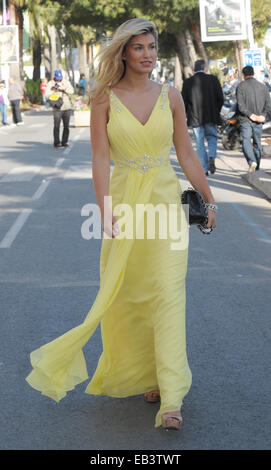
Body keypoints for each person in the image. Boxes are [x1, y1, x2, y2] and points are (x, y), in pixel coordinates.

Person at [25, 18, 217, 431]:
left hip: (165, 206)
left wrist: (210, 197)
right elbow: (98, 158)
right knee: (130, 295)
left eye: (152, 47)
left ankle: (171, 396)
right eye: (139, 48)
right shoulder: (104, 99)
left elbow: (185, 153)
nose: (148, 54)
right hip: (127, 206)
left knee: (168, 293)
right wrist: (104, 208)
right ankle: (147, 373)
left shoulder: (171, 96)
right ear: (124, 54)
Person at [182, 59, 224, 176]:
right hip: (211, 115)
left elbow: (184, 102)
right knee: (212, 137)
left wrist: (186, 115)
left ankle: (204, 168)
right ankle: (212, 156)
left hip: (195, 118)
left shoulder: (188, 82)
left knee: (199, 142)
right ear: (204, 68)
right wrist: (217, 111)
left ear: (194, 69)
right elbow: (220, 98)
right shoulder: (213, 79)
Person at [236, 65, 271, 172]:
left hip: (245, 119)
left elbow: (240, 106)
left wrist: (250, 115)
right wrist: (263, 115)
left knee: (246, 141)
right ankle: (257, 166)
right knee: (257, 143)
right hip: (259, 120)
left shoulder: (240, 86)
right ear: (253, 73)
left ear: (243, 75)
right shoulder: (263, 86)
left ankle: (252, 162)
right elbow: (268, 104)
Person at [45, 69, 74, 148]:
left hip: (66, 106)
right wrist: (53, 90)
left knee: (66, 126)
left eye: (60, 78)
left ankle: (65, 141)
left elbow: (72, 91)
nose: (59, 79)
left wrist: (64, 89)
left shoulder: (66, 82)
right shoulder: (51, 83)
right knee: (56, 126)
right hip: (57, 107)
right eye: (57, 78)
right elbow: (46, 95)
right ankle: (57, 142)